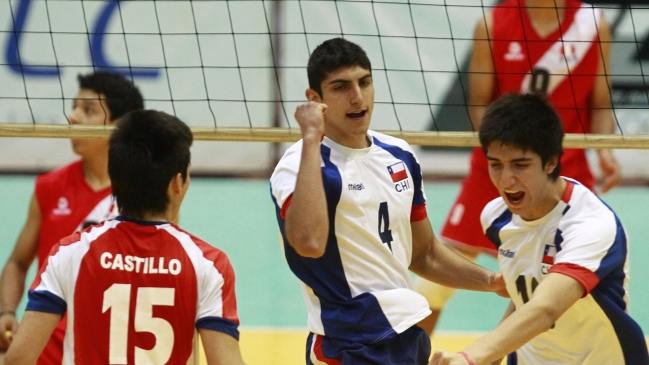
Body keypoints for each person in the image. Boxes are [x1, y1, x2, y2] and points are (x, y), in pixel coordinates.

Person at [269, 37, 508, 365]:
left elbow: (423, 254)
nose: (357, 97)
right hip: (347, 344)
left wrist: (491, 281)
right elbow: (308, 242)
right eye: (340, 87)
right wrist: (311, 137)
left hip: (406, 334)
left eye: (364, 83)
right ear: (314, 99)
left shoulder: (399, 154)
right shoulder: (300, 165)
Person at [415, 0, 623, 335]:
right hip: (497, 171)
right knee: (433, 285)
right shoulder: (493, 25)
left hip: (564, 171)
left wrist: (605, 150)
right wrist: (505, 152)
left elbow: (599, 103)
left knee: (560, 293)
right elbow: (480, 103)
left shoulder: (593, 24)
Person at [4, 110, 247, 365]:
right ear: (178, 182)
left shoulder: (68, 252)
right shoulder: (209, 264)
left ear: (115, 177)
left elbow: (17, 360)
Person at [429, 93, 647, 365]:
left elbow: (545, 309)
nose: (507, 180)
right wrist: (491, 358)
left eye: (520, 165)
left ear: (551, 161)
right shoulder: (496, 216)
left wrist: (470, 357)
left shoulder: (591, 224)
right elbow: (526, 297)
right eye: (496, 165)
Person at [0, 71, 144, 363]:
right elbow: (17, 262)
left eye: (88, 110)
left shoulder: (141, 195)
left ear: (118, 126)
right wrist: (6, 311)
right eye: (75, 106)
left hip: (108, 348)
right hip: (45, 349)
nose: (73, 116)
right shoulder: (50, 186)